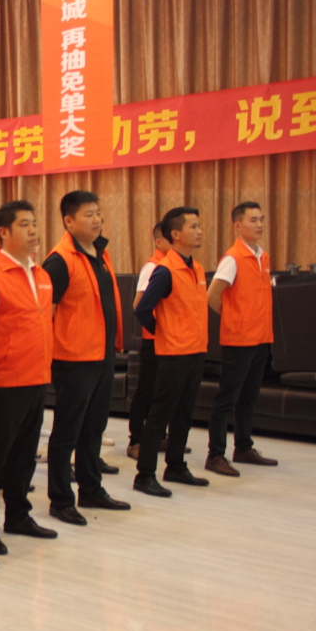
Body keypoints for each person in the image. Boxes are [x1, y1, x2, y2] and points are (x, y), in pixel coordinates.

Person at [0, 201, 58, 555]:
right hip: (1, 381)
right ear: (3, 233)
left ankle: (18, 515)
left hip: (36, 376)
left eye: (34, 223)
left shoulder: (41, 274)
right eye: (24, 224)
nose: (33, 230)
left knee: (25, 454)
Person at [41, 191, 131, 526]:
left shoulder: (99, 253)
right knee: (67, 431)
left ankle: (91, 489)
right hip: (73, 358)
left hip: (102, 354)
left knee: (94, 428)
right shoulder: (59, 261)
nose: (97, 220)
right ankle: (60, 499)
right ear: (69, 221)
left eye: (98, 213)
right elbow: (45, 312)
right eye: (89, 214)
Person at [133, 207, 211, 496]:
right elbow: (142, 308)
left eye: (199, 226)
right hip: (173, 353)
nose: (199, 231)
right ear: (176, 234)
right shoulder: (165, 270)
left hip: (196, 350)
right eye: (194, 226)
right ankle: (144, 475)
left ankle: (176, 466)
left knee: (185, 413)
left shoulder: (197, 267)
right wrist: (163, 332)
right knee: (160, 414)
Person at [204, 201, 279, 475]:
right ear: (238, 225)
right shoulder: (232, 259)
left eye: (261, 219)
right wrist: (234, 318)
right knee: (227, 398)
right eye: (253, 220)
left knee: (249, 396)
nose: (259, 225)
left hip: (261, 337)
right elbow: (212, 295)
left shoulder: (262, 256)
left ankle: (244, 447)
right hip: (239, 339)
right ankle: (215, 455)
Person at [126, 222, 173, 460]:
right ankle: (135, 440)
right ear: (159, 242)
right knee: (146, 390)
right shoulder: (153, 267)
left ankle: (158, 436)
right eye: (170, 239)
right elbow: (138, 305)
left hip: (172, 341)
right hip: (153, 340)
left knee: (162, 391)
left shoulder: (174, 266)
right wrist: (157, 329)